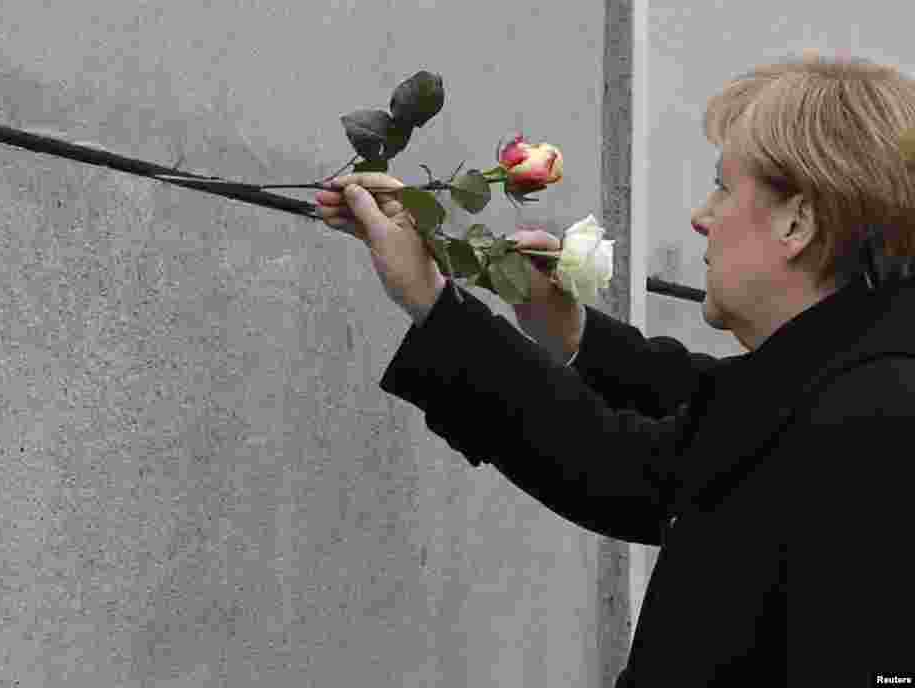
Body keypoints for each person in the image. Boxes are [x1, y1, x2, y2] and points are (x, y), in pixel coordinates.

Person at [314, 54, 915, 687]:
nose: (701, 216)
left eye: (722, 187)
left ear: (799, 222)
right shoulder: (834, 372)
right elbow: (639, 453)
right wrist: (557, 330)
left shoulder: (878, 420)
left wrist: (436, 304)